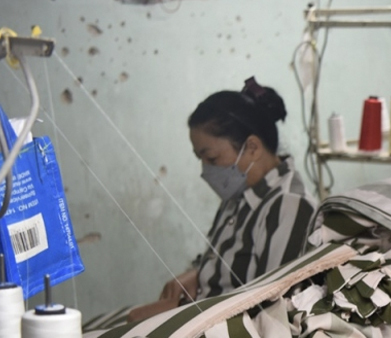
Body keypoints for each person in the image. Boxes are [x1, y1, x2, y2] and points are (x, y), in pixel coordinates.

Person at [129, 77, 316, 322]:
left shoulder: (288, 206)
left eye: (212, 159)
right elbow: (230, 262)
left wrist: (180, 312)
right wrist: (198, 273)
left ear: (252, 147)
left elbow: (272, 311)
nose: (205, 170)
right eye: (200, 159)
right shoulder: (240, 194)